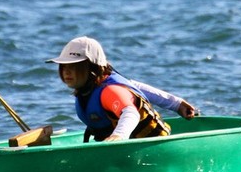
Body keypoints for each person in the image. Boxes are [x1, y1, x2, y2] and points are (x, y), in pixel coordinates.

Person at [46, 36, 198, 143]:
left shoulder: (109, 91)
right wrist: (176, 104)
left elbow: (131, 113)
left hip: (152, 148)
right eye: (64, 66)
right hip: (127, 152)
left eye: (74, 66)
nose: (66, 71)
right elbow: (135, 87)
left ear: (92, 69)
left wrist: (118, 136)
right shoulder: (92, 89)